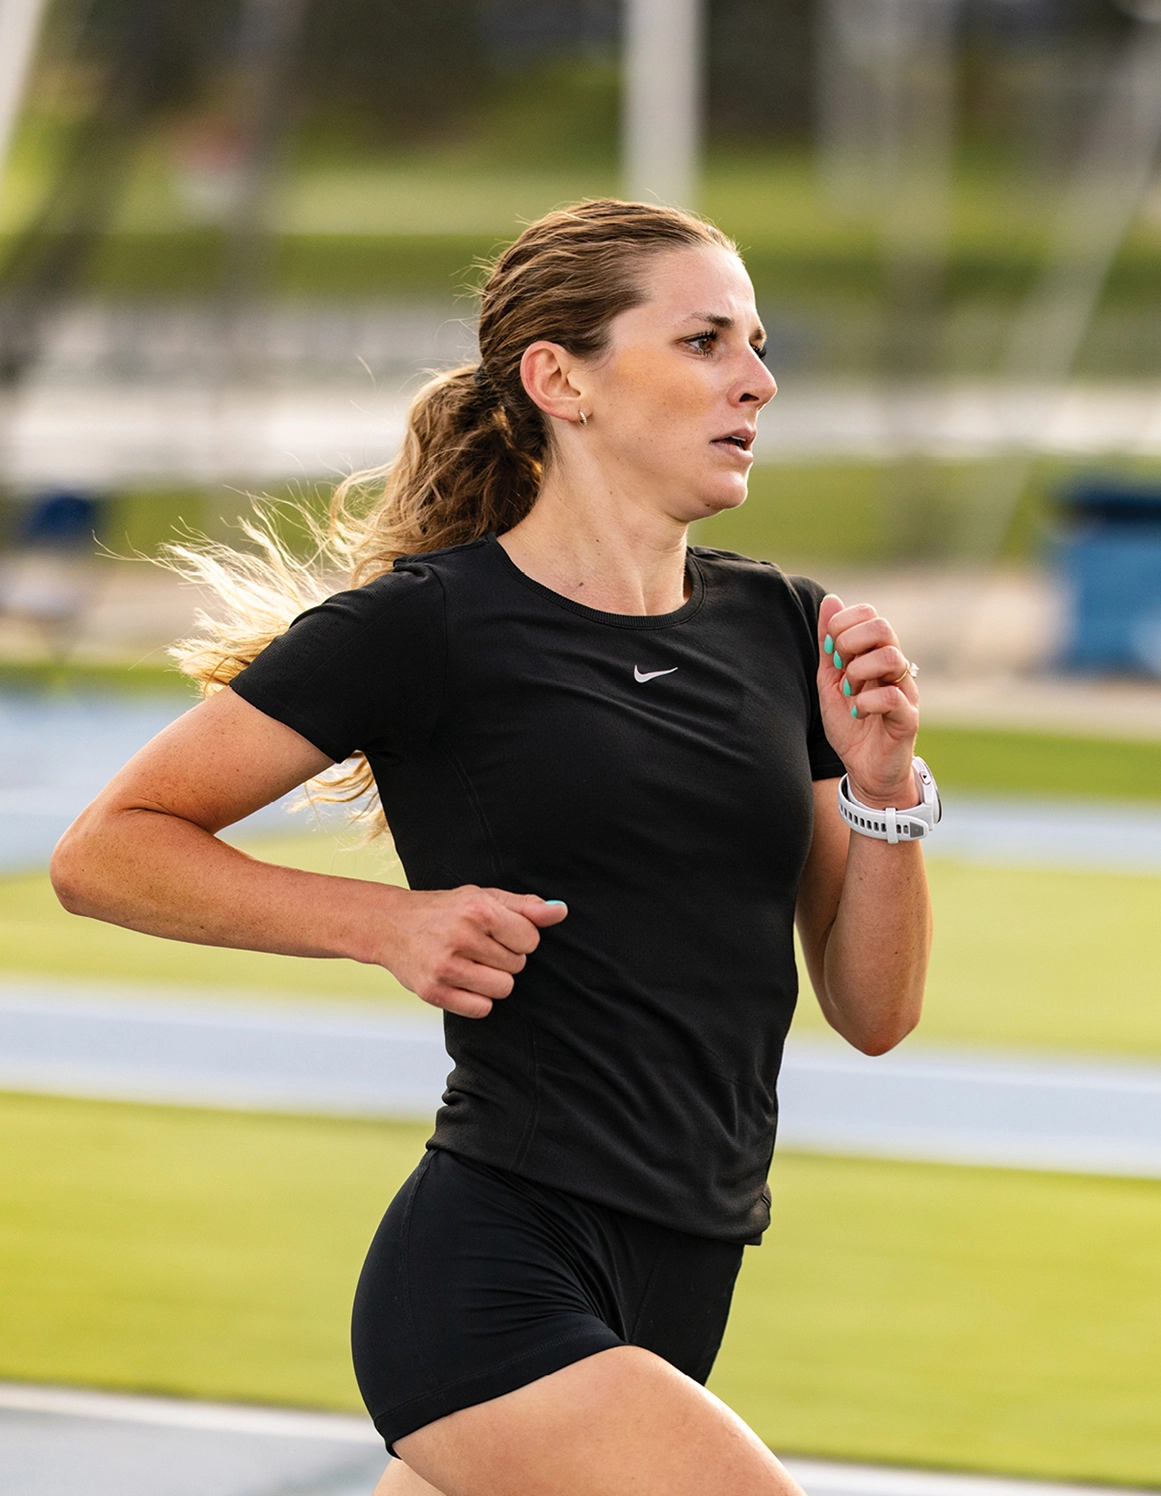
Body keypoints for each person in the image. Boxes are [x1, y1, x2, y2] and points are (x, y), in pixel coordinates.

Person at [50, 198, 933, 1496]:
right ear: (559, 379)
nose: (758, 378)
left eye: (755, 342)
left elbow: (874, 1009)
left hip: (689, 1276)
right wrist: (386, 924)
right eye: (703, 342)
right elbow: (106, 849)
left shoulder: (780, 631)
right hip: (496, 1273)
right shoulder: (427, 628)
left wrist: (888, 792)